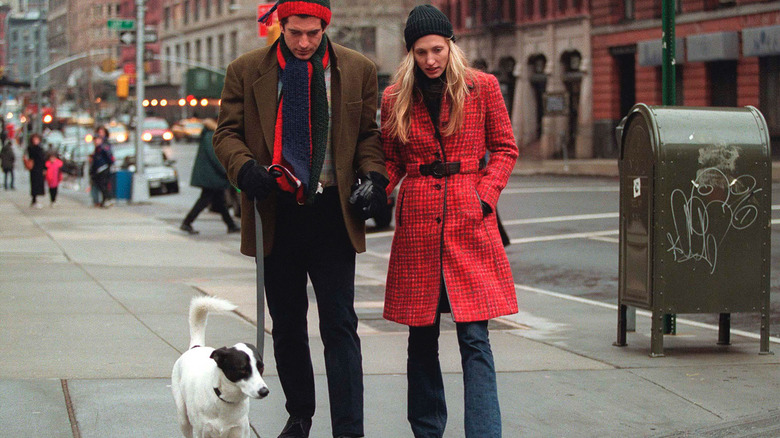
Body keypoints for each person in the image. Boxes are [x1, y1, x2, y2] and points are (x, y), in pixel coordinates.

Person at [213, 1, 387, 436]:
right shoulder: (246, 69)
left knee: (340, 325)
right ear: (281, 25)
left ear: (324, 25)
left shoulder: (357, 69)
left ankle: (349, 426)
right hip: (277, 213)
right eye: (295, 33)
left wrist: (374, 176)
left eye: (312, 32)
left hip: (333, 214)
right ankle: (300, 415)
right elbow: (226, 133)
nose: (304, 42)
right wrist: (244, 167)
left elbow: (368, 135)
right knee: (287, 326)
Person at [380, 5, 519, 438]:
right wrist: (372, 189)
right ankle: (426, 431)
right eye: (421, 52)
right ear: (410, 53)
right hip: (419, 223)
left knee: (475, 338)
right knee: (420, 340)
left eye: (437, 49)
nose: (430, 60)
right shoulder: (395, 97)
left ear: (450, 46)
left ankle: (484, 432)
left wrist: (485, 196)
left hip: (469, 219)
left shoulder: (483, 87)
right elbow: (391, 161)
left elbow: (505, 148)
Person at [180, 119, 240, 235]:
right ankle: (187, 222)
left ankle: (230, 224)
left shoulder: (208, 135)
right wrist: (226, 171)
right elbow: (216, 157)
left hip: (210, 175)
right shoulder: (210, 136)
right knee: (205, 200)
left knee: (219, 200)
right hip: (211, 176)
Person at [89, 134, 114, 208]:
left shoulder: (103, 148)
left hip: (103, 169)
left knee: (103, 185)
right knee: (101, 185)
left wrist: (108, 166)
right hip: (98, 170)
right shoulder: (97, 149)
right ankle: (105, 200)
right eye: (95, 140)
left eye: (98, 139)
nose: (96, 141)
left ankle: (108, 199)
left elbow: (109, 158)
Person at [25, 133, 46, 208]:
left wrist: (44, 168)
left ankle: (35, 199)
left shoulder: (40, 148)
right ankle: (34, 200)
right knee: (34, 184)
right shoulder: (31, 148)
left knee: (39, 184)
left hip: (39, 168)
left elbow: (43, 159)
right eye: (35, 139)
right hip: (34, 168)